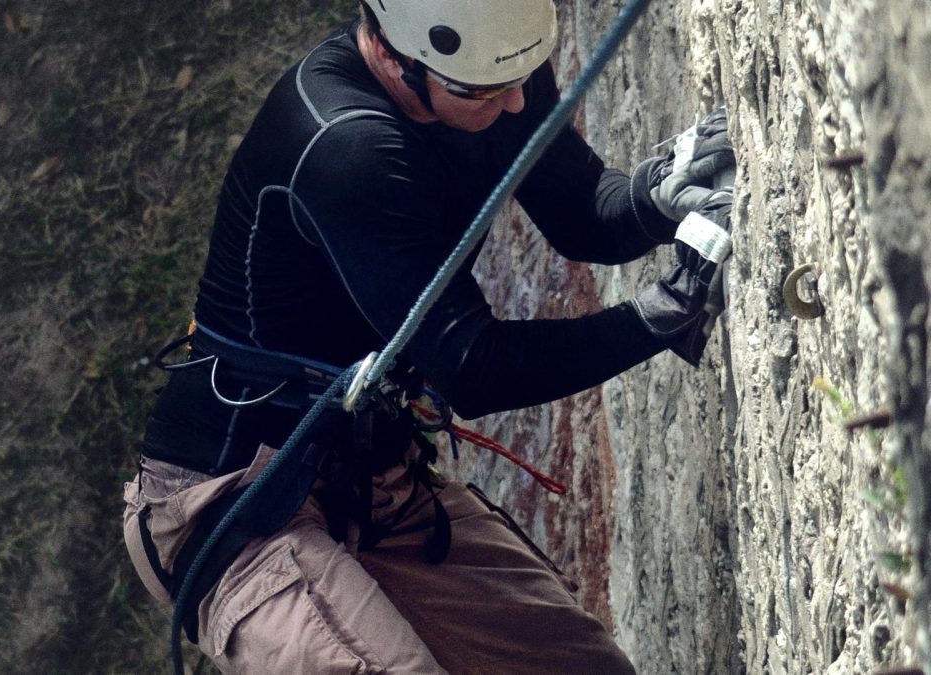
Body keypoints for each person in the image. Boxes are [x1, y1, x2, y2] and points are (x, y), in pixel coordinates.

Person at [122, 1, 735, 672]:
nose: (516, 104)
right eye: (485, 92)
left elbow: (580, 212)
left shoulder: (490, 59)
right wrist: (656, 315)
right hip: (237, 508)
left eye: (523, 77)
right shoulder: (349, 148)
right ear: (391, 55)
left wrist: (652, 195)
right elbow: (474, 366)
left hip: (371, 480)